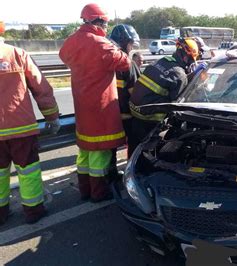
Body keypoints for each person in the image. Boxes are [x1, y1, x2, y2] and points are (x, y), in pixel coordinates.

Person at [59, 3, 131, 202]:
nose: (106, 28)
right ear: (99, 22)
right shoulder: (101, 43)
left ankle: (84, 191)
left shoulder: (71, 41)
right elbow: (125, 62)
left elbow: (63, 55)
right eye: (106, 24)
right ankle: (99, 193)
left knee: (84, 153)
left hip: (81, 106)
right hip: (101, 108)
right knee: (100, 154)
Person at [0, 23, 60, 224]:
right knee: (28, 172)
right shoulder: (17, 54)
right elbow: (41, 88)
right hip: (21, 129)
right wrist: (52, 117)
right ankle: (34, 212)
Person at [128, 37, 199, 154]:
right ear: (186, 57)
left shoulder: (160, 61)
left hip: (135, 114)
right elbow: (177, 104)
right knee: (148, 155)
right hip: (150, 120)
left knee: (134, 149)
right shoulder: (179, 74)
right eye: (191, 60)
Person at [109, 24, 141, 159]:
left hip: (109, 113)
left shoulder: (106, 60)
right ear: (125, 42)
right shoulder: (128, 62)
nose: (132, 47)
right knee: (134, 143)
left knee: (110, 147)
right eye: (131, 43)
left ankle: (111, 174)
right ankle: (131, 171)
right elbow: (136, 92)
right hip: (127, 116)